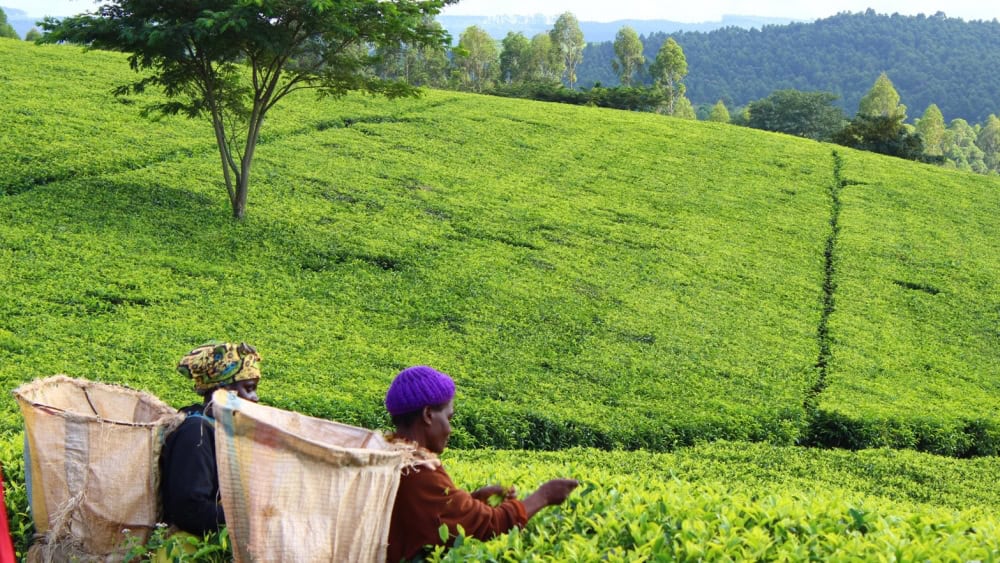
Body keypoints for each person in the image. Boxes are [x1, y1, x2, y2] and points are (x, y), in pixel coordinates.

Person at [384, 365, 578, 562]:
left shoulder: (390, 456)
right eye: (448, 417)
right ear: (428, 415)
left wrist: (474, 500)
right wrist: (544, 496)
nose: (450, 429)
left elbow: (431, 514)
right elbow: (490, 525)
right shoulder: (417, 470)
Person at [160, 341, 262, 536]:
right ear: (223, 392)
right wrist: (253, 522)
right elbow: (189, 509)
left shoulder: (220, 429)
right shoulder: (195, 432)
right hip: (188, 548)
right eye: (248, 388)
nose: (255, 397)